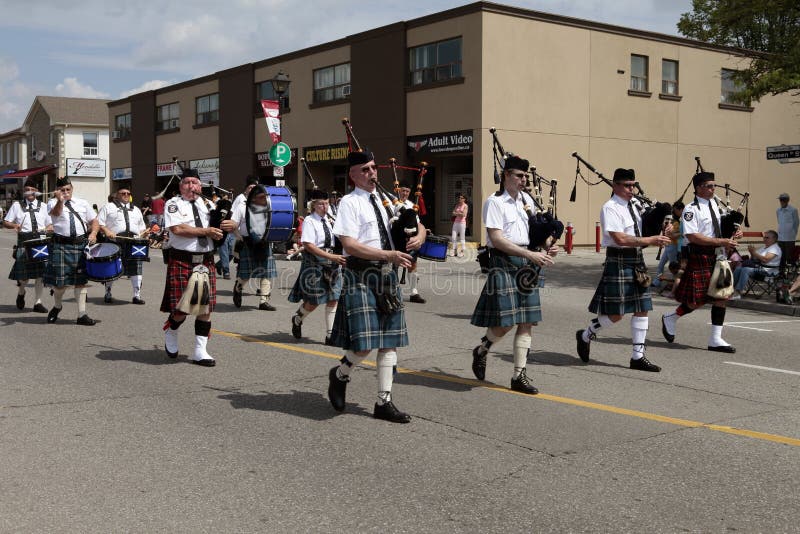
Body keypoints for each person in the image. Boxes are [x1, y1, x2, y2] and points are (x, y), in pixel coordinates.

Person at [326, 150, 425, 423]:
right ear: (353, 175)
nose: (372, 174)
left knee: (389, 342)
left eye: (374, 168)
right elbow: (349, 244)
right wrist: (388, 255)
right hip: (361, 275)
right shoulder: (349, 202)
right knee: (364, 344)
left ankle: (384, 402)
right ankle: (340, 374)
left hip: (387, 276)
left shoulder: (387, 201)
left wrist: (418, 237)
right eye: (366, 170)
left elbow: (419, 225)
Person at [470, 155, 557, 394]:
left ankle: (519, 375)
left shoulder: (527, 199)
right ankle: (482, 349)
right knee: (504, 323)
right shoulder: (494, 202)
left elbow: (536, 231)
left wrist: (548, 242)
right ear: (506, 175)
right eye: (519, 176)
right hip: (504, 261)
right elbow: (497, 239)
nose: (523, 180)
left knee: (527, 321)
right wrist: (530, 255)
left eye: (525, 176)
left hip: (527, 262)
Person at [575, 168, 670, 371]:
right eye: (627, 185)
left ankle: (638, 356)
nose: (632, 189)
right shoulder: (610, 207)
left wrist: (662, 226)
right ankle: (586, 334)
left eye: (633, 184)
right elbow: (619, 238)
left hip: (636, 259)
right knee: (617, 314)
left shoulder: (634, 205)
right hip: (618, 260)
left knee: (642, 308)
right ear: (615, 185)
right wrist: (650, 240)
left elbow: (644, 228)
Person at [661, 171, 743, 353]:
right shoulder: (691, 209)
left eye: (714, 185)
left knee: (722, 296)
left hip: (718, 256)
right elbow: (692, 236)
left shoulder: (714, 205)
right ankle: (671, 317)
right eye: (709, 186)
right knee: (698, 300)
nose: (713, 188)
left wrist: (734, 233)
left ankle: (715, 339)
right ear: (698, 188)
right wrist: (721, 241)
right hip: (700, 254)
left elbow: (720, 227)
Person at [160, 169, 229, 366]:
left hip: (205, 260)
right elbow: (177, 229)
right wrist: (206, 230)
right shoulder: (173, 204)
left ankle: (200, 351)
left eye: (195, 183)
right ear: (181, 186)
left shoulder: (209, 204)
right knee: (183, 308)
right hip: (182, 259)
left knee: (205, 307)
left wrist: (229, 226)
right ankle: (171, 330)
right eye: (187, 183)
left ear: (200, 186)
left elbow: (221, 227)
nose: (191, 186)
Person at [288, 189, 345, 343]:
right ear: (313, 205)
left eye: (326, 203)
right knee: (314, 301)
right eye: (321, 204)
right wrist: (331, 256)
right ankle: (298, 318)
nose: (324, 207)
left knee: (334, 298)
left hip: (332, 263)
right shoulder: (309, 221)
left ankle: (330, 335)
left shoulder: (330, 220)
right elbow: (308, 245)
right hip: (315, 263)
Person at [44, 176, 100, 325]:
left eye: (68, 189)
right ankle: (57, 306)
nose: (66, 192)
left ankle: (82, 315)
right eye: (62, 190)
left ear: (72, 189)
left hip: (80, 245)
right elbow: (56, 214)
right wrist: (59, 200)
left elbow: (94, 221)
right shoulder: (52, 203)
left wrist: (93, 233)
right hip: (61, 245)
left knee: (80, 281)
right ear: (57, 191)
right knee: (60, 284)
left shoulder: (82, 203)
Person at [3, 179, 53, 312]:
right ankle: (21, 292)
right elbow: (6, 221)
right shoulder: (16, 206)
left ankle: (38, 302)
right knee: (24, 277)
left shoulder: (44, 206)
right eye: (26, 190)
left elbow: (50, 224)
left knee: (40, 275)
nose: (28, 192)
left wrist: (47, 229)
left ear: (36, 192)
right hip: (24, 242)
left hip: (40, 242)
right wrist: (15, 225)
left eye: (31, 189)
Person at [229, 184, 278, 311]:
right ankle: (238, 287)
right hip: (247, 241)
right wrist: (238, 236)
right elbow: (233, 224)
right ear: (246, 190)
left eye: (255, 188)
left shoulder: (267, 205)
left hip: (263, 241)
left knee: (267, 272)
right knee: (247, 274)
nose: (253, 190)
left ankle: (264, 301)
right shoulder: (241, 206)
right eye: (250, 188)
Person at [97, 186, 148, 304]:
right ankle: (108, 293)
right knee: (111, 268)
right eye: (123, 193)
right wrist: (107, 231)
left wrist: (144, 234)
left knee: (136, 268)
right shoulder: (108, 207)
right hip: (115, 241)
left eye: (128, 193)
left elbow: (142, 227)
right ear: (117, 195)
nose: (126, 195)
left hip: (134, 242)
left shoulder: (136, 209)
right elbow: (99, 223)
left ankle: (137, 296)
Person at [394, 181, 426, 304]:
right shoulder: (392, 202)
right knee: (394, 265)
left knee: (412, 265)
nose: (405, 193)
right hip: (396, 238)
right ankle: (394, 292)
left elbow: (417, 222)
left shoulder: (412, 205)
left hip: (409, 239)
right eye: (403, 191)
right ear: (398, 191)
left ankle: (414, 292)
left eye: (407, 191)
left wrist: (418, 235)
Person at [730, 230, 782, 299]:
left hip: (768, 272)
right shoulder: (763, 247)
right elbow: (754, 259)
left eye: (767, 238)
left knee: (746, 270)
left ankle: (738, 292)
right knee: (739, 268)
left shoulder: (775, 248)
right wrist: (751, 252)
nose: (764, 239)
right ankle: (730, 289)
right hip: (758, 268)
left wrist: (754, 253)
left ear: (774, 239)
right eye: (764, 237)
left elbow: (765, 260)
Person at [652, 201, 683, 287]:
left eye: (669, 219)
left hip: (673, 246)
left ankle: (676, 283)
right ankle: (657, 281)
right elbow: (666, 232)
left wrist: (673, 234)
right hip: (668, 246)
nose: (668, 221)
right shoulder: (672, 222)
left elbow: (675, 235)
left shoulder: (677, 223)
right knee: (661, 265)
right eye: (667, 219)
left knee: (674, 267)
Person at [776, 193, 798, 273]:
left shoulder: (793, 210)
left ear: (787, 201)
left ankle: (790, 272)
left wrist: (793, 234)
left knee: (789, 256)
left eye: (783, 200)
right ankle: (781, 272)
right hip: (781, 237)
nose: (781, 202)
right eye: (780, 200)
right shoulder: (778, 211)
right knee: (781, 256)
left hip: (790, 237)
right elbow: (779, 222)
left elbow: (796, 223)